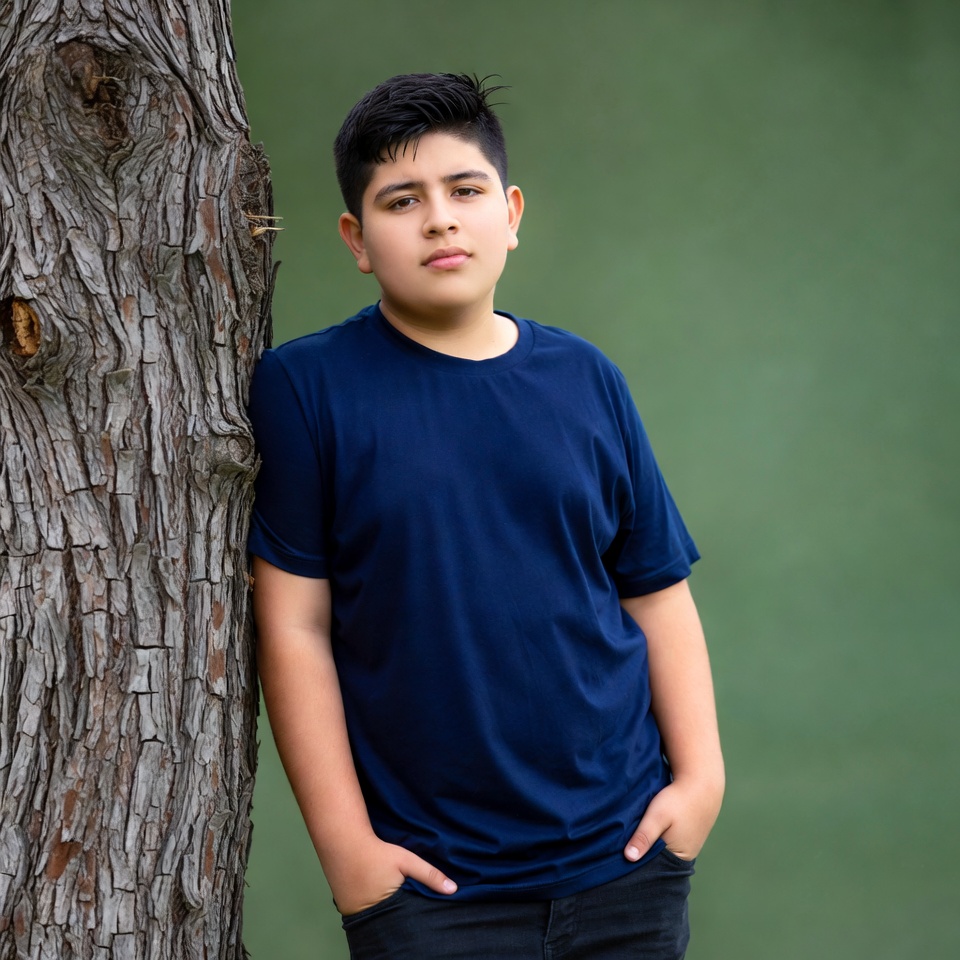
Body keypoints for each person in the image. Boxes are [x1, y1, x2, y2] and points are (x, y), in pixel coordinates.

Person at [247, 73, 724, 960]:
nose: (439, 219)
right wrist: (351, 856)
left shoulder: (586, 379)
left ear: (509, 212)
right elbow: (294, 627)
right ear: (357, 239)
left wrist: (699, 786)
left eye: (464, 191)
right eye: (401, 200)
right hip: (434, 889)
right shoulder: (307, 390)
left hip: (626, 863)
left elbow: (656, 592)